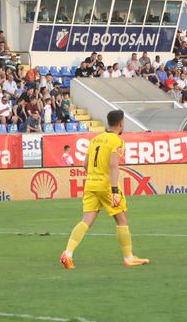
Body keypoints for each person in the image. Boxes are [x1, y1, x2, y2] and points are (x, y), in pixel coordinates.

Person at [60, 109, 149, 269]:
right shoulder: (116, 141)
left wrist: (95, 177)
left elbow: (85, 165)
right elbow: (114, 165)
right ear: (121, 123)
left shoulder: (95, 139)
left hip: (90, 184)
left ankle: (68, 253)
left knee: (86, 220)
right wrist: (114, 190)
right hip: (107, 185)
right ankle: (129, 257)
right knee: (121, 219)